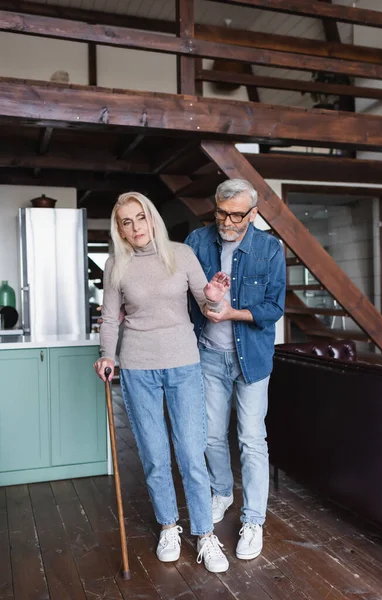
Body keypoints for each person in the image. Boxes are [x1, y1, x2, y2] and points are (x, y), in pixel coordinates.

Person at [94, 192, 230, 573]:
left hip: (184, 364)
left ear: (152, 218)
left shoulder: (181, 255)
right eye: (127, 222)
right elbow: (109, 318)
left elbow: (209, 306)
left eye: (141, 218)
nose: (136, 227)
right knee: (155, 456)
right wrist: (108, 355)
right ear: (119, 229)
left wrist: (215, 299)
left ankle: (205, 534)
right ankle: (169, 526)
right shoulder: (115, 266)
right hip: (138, 368)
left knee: (191, 453)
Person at [185, 179, 286, 560]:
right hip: (208, 354)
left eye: (236, 215)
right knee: (210, 436)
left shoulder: (269, 248)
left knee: (251, 439)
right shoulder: (197, 241)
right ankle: (223, 492)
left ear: (253, 213)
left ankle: (253, 520)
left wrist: (232, 313)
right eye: (221, 212)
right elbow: (183, 291)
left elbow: (274, 308)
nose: (226, 221)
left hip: (253, 360)